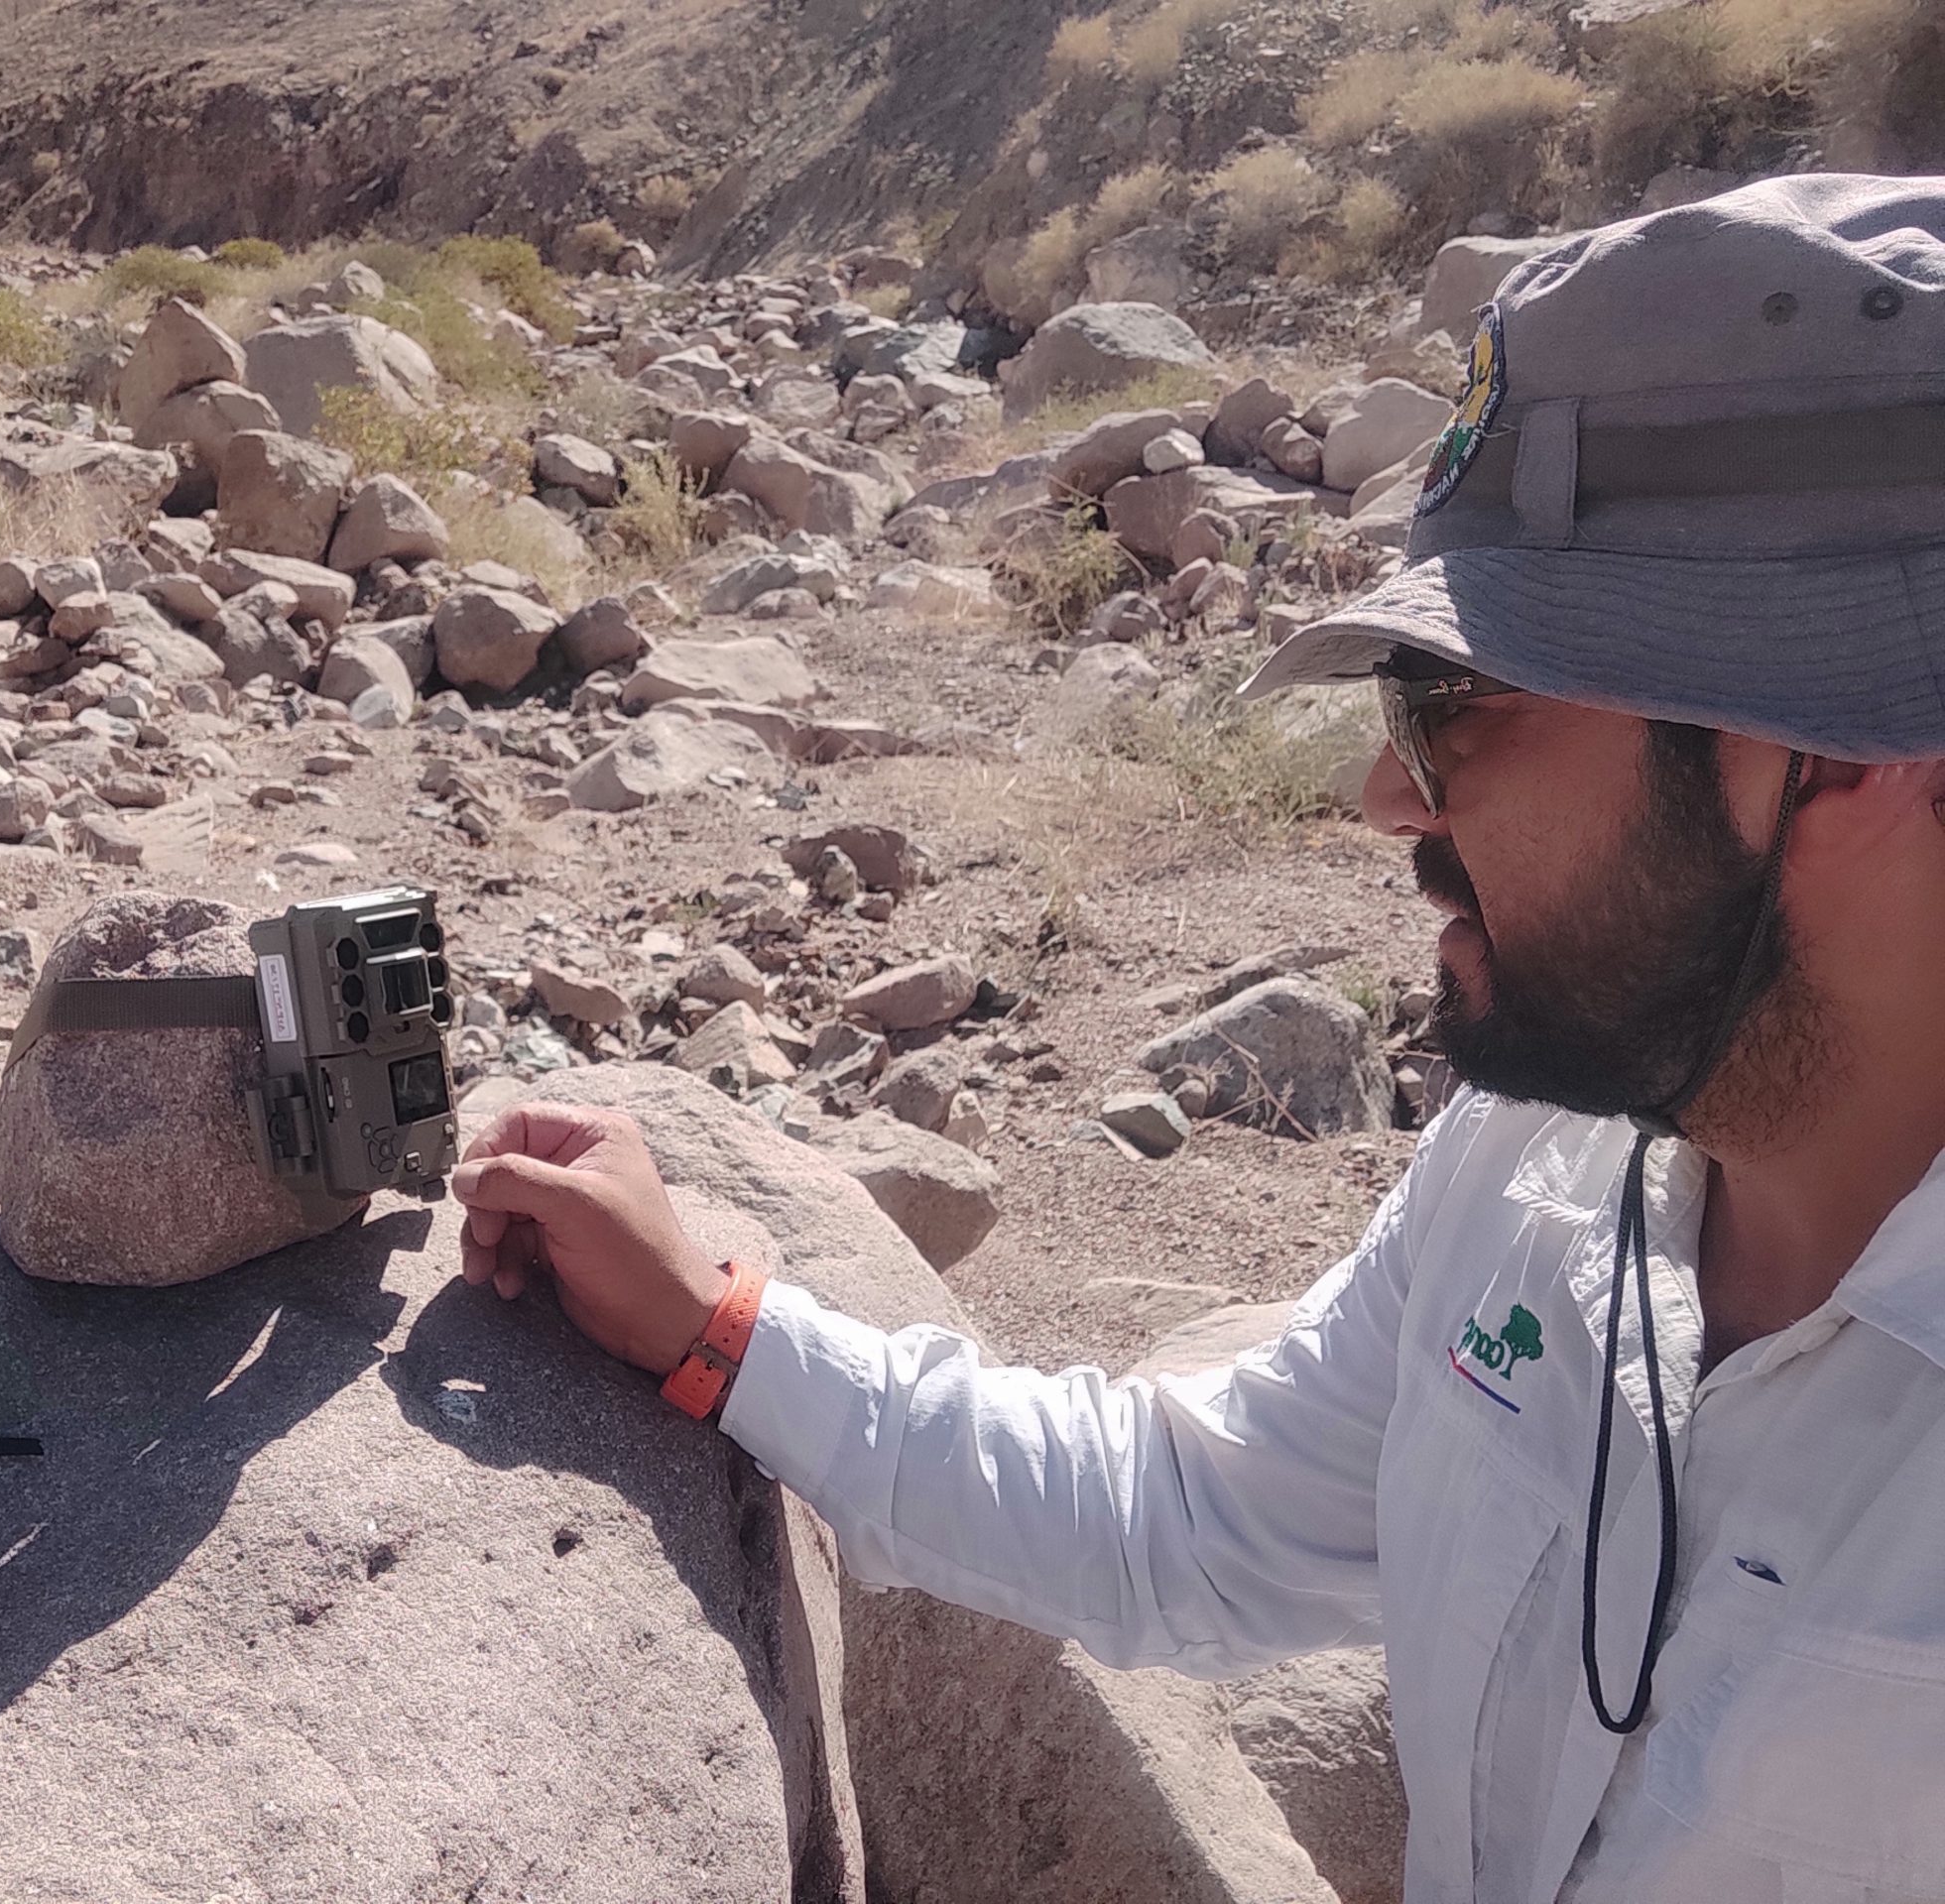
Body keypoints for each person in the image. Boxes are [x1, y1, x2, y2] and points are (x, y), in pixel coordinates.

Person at [446, 174, 1945, 1904]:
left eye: (1463, 707)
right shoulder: (1540, 1166)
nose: (1389, 795)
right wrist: (719, 1331)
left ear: (1847, 756)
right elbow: (1187, 1518)